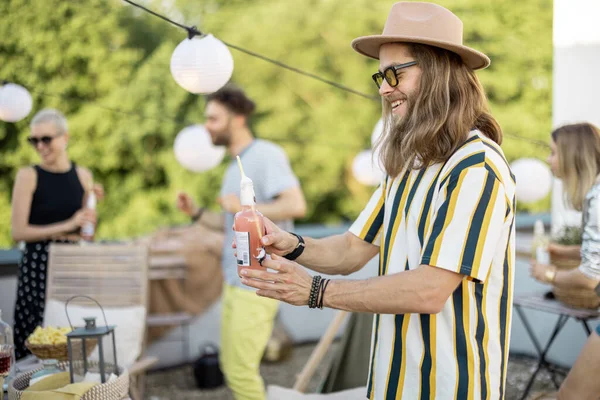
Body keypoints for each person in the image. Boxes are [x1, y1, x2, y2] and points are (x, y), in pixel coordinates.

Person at [237, 2, 516, 399]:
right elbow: (352, 249)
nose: (383, 89)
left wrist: (317, 292)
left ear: (438, 71)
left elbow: (429, 290)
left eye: (393, 74)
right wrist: (291, 244)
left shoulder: (476, 167)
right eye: (379, 76)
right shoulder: (409, 165)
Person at [176, 84, 306, 400]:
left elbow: (295, 205)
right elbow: (229, 225)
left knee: (240, 373)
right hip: (236, 281)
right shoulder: (234, 165)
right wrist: (196, 213)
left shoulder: (265, 154)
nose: (206, 126)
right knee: (230, 366)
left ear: (237, 119)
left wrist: (245, 207)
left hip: (259, 283)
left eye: (213, 118)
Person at [10, 108, 103, 359]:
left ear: (65, 138)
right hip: (38, 266)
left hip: (73, 264)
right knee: (37, 341)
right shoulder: (28, 176)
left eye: (46, 139)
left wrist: (90, 210)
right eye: (34, 140)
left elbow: (86, 235)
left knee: (73, 336)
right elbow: (18, 231)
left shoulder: (84, 176)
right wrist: (67, 223)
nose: (40, 146)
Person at [530, 122, 600, 400]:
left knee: (572, 396)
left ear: (573, 155)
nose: (549, 159)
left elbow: (590, 275)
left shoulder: (597, 197)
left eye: (554, 152)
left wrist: (549, 275)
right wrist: (565, 251)